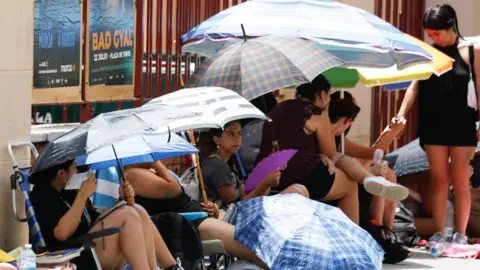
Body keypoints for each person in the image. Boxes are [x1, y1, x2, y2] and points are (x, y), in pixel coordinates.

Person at [256, 74, 409, 225]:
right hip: (303, 175)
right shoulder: (315, 112)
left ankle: (369, 178)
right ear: (322, 94)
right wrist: (325, 115)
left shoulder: (279, 107)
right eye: (329, 95)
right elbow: (329, 150)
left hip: (268, 175)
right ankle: (353, 240)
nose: (330, 99)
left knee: (337, 159)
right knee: (349, 184)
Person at [392, 3, 480, 245]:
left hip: (463, 122)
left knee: (461, 178)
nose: (432, 37)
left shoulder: (472, 52)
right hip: (434, 123)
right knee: (439, 179)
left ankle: (460, 233)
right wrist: (401, 112)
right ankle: (441, 232)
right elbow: (415, 84)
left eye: (436, 33)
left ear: (450, 26)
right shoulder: (429, 53)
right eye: (429, 34)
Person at [29, 159, 183, 270]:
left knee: (137, 209)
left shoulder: (67, 193)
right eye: (73, 167)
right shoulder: (43, 196)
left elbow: (97, 221)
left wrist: (121, 199)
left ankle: (172, 267)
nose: (76, 171)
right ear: (61, 173)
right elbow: (62, 234)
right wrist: (82, 195)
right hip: (74, 256)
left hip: (89, 247)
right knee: (129, 214)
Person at [124, 160, 270, 269]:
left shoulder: (143, 171)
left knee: (263, 239)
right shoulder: (133, 174)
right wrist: (155, 162)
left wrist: (212, 208)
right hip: (193, 223)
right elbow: (173, 189)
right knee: (257, 248)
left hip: (199, 216)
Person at [328, 93, 410, 264]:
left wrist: (389, 133)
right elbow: (367, 156)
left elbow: (370, 154)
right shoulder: (327, 136)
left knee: (386, 175)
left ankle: (385, 231)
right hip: (338, 186)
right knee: (375, 174)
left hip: (349, 180)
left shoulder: (340, 139)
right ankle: (380, 232)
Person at [198, 121, 309, 206]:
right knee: (297, 191)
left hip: (240, 210)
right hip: (229, 219)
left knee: (299, 189)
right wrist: (265, 183)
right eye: (231, 134)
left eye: (240, 133)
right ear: (217, 140)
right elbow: (238, 206)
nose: (237, 139)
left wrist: (270, 174)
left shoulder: (223, 163)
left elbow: (246, 193)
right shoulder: (217, 166)